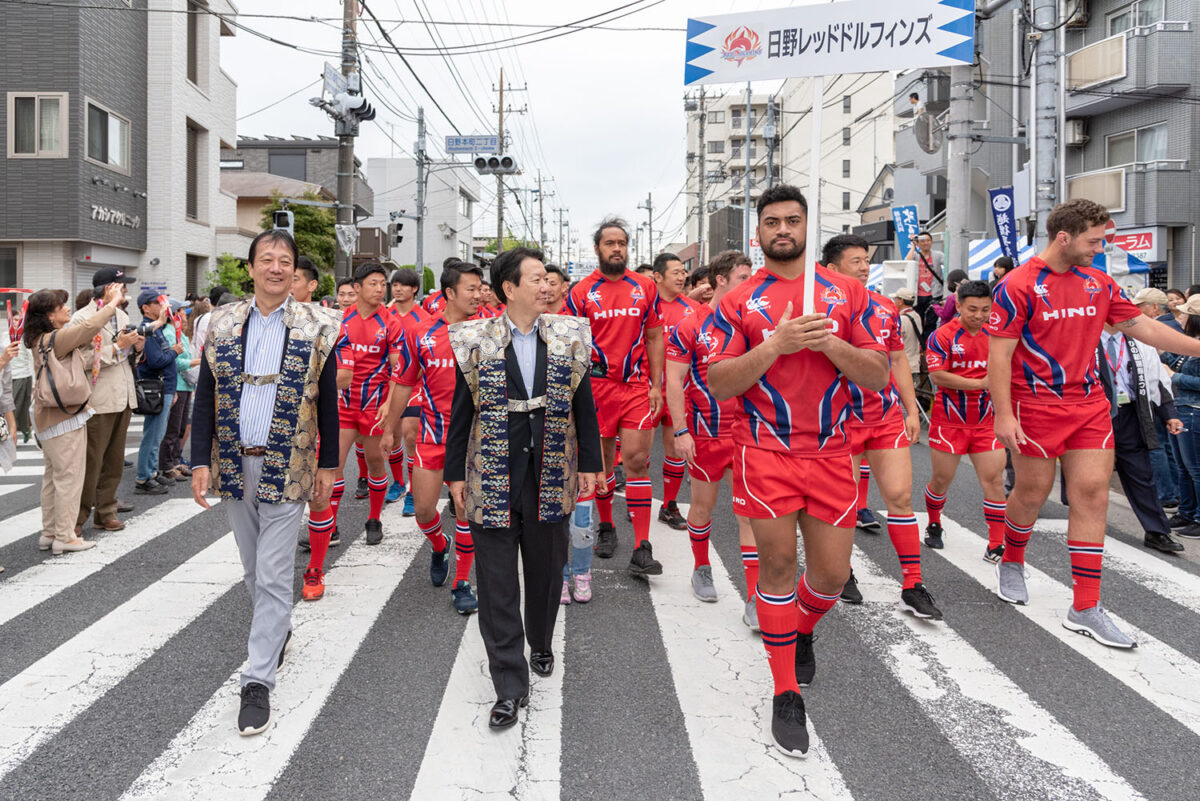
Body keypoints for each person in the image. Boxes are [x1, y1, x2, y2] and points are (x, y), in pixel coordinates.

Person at [707, 185, 889, 757]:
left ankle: (802, 631)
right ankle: (785, 688)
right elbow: (720, 381)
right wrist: (779, 344)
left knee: (832, 579)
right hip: (763, 453)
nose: (782, 229)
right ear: (757, 233)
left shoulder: (849, 293)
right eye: (771, 222)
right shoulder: (737, 302)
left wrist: (830, 342)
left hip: (834, 453)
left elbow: (877, 375)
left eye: (792, 220)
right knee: (778, 567)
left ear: (808, 227)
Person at [988, 198, 1200, 649]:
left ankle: (1084, 606)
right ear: (1063, 237)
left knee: (1092, 495)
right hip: (1036, 407)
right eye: (1093, 241)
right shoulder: (1016, 285)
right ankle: (1012, 558)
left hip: (1088, 406)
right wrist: (1003, 415)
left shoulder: (1098, 282)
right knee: (1031, 493)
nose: (1098, 249)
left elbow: (1145, 329)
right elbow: (999, 357)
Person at [444, 246, 603, 730]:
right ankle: (509, 686)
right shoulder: (474, 338)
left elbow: (584, 404)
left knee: (545, 569)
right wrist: (454, 474)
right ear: (509, 288)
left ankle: (541, 641)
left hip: (552, 468)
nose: (546, 286)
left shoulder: (570, 334)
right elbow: (461, 411)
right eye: (534, 279)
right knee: (496, 584)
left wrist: (591, 463)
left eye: (548, 279)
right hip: (491, 471)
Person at [189, 229, 340, 736]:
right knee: (254, 571)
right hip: (234, 461)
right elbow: (206, 393)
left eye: (285, 261)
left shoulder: (319, 325)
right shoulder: (221, 323)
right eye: (266, 259)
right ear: (250, 268)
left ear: (295, 273)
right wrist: (199, 460)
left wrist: (328, 465)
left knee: (274, 573)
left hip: (290, 460)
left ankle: (257, 682)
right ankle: (278, 630)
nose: (276, 268)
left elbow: (328, 404)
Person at [823, 234, 941, 619]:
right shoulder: (819, 306)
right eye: (854, 260)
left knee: (899, 498)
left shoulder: (884, 306)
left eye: (865, 259)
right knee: (840, 505)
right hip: (838, 420)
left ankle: (912, 583)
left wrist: (911, 409)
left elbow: (897, 361)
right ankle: (844, 573)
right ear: (831, 268)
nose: (864, 266)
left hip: (883, 416)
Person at [566, 218, 666, 577]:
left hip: (637, 387)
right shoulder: (580, 292)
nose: (617, 249)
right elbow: (572, 344)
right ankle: (606, 526)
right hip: (596, 388)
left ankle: (642, 546)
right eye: (610, 243)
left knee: (637, 461)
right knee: (603, 464)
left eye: (622, 242)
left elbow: (655, 337)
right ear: (597, 249)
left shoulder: (645, 287)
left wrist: (656, 384)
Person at [382, 262, 483, 614]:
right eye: (470, 288)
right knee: (424, 509)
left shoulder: (486, 331)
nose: (477, 294)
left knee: (465, 508)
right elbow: (404, 382)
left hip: (474, 437)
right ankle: (440, 545)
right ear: (450, 293)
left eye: (479, 287)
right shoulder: (422, 332)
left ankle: (462, 582)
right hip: (433, 433)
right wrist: (389, 427)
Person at [664, 248, 757, 612]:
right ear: (721, 280)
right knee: (702, 507)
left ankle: (753, 594)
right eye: (743, 279)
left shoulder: (752, 322)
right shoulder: (692, 323)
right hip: (705, 432)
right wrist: (680, 430)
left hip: (749, 433)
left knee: (748, 513)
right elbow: (674, 380)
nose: (750, 287)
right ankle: (701, 568)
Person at [28, 283, 124, 554]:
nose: (68, 308)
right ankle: (65, 536)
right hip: (63, 415)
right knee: (69, 477)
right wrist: (112, 303)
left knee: (53, 477)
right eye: (62, 306)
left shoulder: (40, 339)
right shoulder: (56, 338)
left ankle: (50, 532)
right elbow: (88, 328)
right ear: (49, 315)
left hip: (48, 415)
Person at [921, 280, 1008, 559]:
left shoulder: (997, 335)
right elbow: (937, 376)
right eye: (972, 309)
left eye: (985, 309)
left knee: (994, 480)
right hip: (949, 422)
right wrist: (981, 383)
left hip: (986, 422)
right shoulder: (942, 336)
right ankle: (934, 523)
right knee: (941, 480)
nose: (980, 315)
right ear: (957, 306)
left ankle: (996, 543)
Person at [331, 263, 409, 551]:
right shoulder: (340, 321)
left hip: (376, 406)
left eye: (382, 284)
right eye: (373, 284)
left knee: (376, 463)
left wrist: (389, 405)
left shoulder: (391, 323)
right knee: (333, 465)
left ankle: (374, 518)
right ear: (358, 288)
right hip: (343, 405)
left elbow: (397, 370)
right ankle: (331, 524)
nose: (379, 289)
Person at [1096, 322, 1186, 554]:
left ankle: (1157, 531)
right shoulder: (1085, 339)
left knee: (1141, 475)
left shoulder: (1139, 343)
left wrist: (1170, 415)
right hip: (1094, 415)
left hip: (1130, 415)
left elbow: (1158, 381)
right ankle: (1086, 527)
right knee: (1090, 477)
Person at [70, 268, 143, 531]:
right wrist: (118, 347)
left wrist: (136, 347)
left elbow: (123, 355)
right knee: (91, 462)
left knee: (114, 462)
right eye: (122, 286)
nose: (125, 291)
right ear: (109, 288)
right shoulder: (82, 317)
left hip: (122, 396)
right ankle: (77, 518)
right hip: (97, 399)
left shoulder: (121, 315)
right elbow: (80, 359)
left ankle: (106, 511)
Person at [651, 251, 699, 530]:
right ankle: (639, 498)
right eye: (676, 272)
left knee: (674, 449)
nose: (682, 277)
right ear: (658, 277)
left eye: (683, 272)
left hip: (680, 390)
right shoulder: (648, 307)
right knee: (638, 454)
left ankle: (669, 505)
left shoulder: (691, 309)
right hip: (648, 389)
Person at [382, 268, 425, 504]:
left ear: (414, 289)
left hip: (414, 384)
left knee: (410, 435)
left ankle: (412, 490)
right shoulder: (385, 315)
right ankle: (397, 482)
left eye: (403, 285)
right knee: (393, 435)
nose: (397, 288)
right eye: (395, 284)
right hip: (385, 383)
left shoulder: (423, 318)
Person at [134, 290, 179, 494]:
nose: (163, 305)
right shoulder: (148, 329)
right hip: (156, 388)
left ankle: (151, 472)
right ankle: (144, 477)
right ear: (146, 307)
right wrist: (174, 352)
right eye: (157, 302)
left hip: (164, 386)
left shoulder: (157, 328)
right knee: (153, 434)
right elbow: (155, 361)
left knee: (157, 433)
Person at [1168, 298, 1200, 539]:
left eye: (1185, 314)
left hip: (1193, 411)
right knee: (1183, 467)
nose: (1180, 318)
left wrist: (1174, 378)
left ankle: (1197, 517)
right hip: (1182, 409)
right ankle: (1186, 512)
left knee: (1195, 468)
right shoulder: (1191, 344)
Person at [159, 306, 198, 481]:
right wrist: (196, 361)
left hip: (185, 385)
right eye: (181, 311)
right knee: (173, 428)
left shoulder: (178, 332)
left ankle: (175, 462)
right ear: (173, 315)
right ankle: (167, 465)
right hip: (177, 385)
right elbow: (173, 362)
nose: (185, 315)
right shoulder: (169, 333)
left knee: (181, 427)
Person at [905, 230, 944, 330]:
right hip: (918, 295)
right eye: (922, 241)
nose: (926, 243)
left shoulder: (938, 255)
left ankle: (928, 344)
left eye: (928, 240)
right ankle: (921, 344)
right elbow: (907, 263)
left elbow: (948, 261)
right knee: (918, 322)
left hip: (934, 294)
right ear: (918, 243)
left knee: (931, 323)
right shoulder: (916, 255)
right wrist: (913, 246)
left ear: (931, 242)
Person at [893, 287, 923, 384]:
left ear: (901, 301)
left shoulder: (902, 320)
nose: (894, 301)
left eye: (895, 299)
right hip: (915, 364)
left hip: (904, 365)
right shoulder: (916, 315)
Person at [11, 334, 33, 443]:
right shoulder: (6, 336)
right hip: (9, 376)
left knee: (16, 406)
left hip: (22, 376)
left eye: (18, 320)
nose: (15, 323)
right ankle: (23, 430)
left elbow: (31, 357)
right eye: (14, 320)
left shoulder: (24, 338)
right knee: (13, 407)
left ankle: (18, 432)